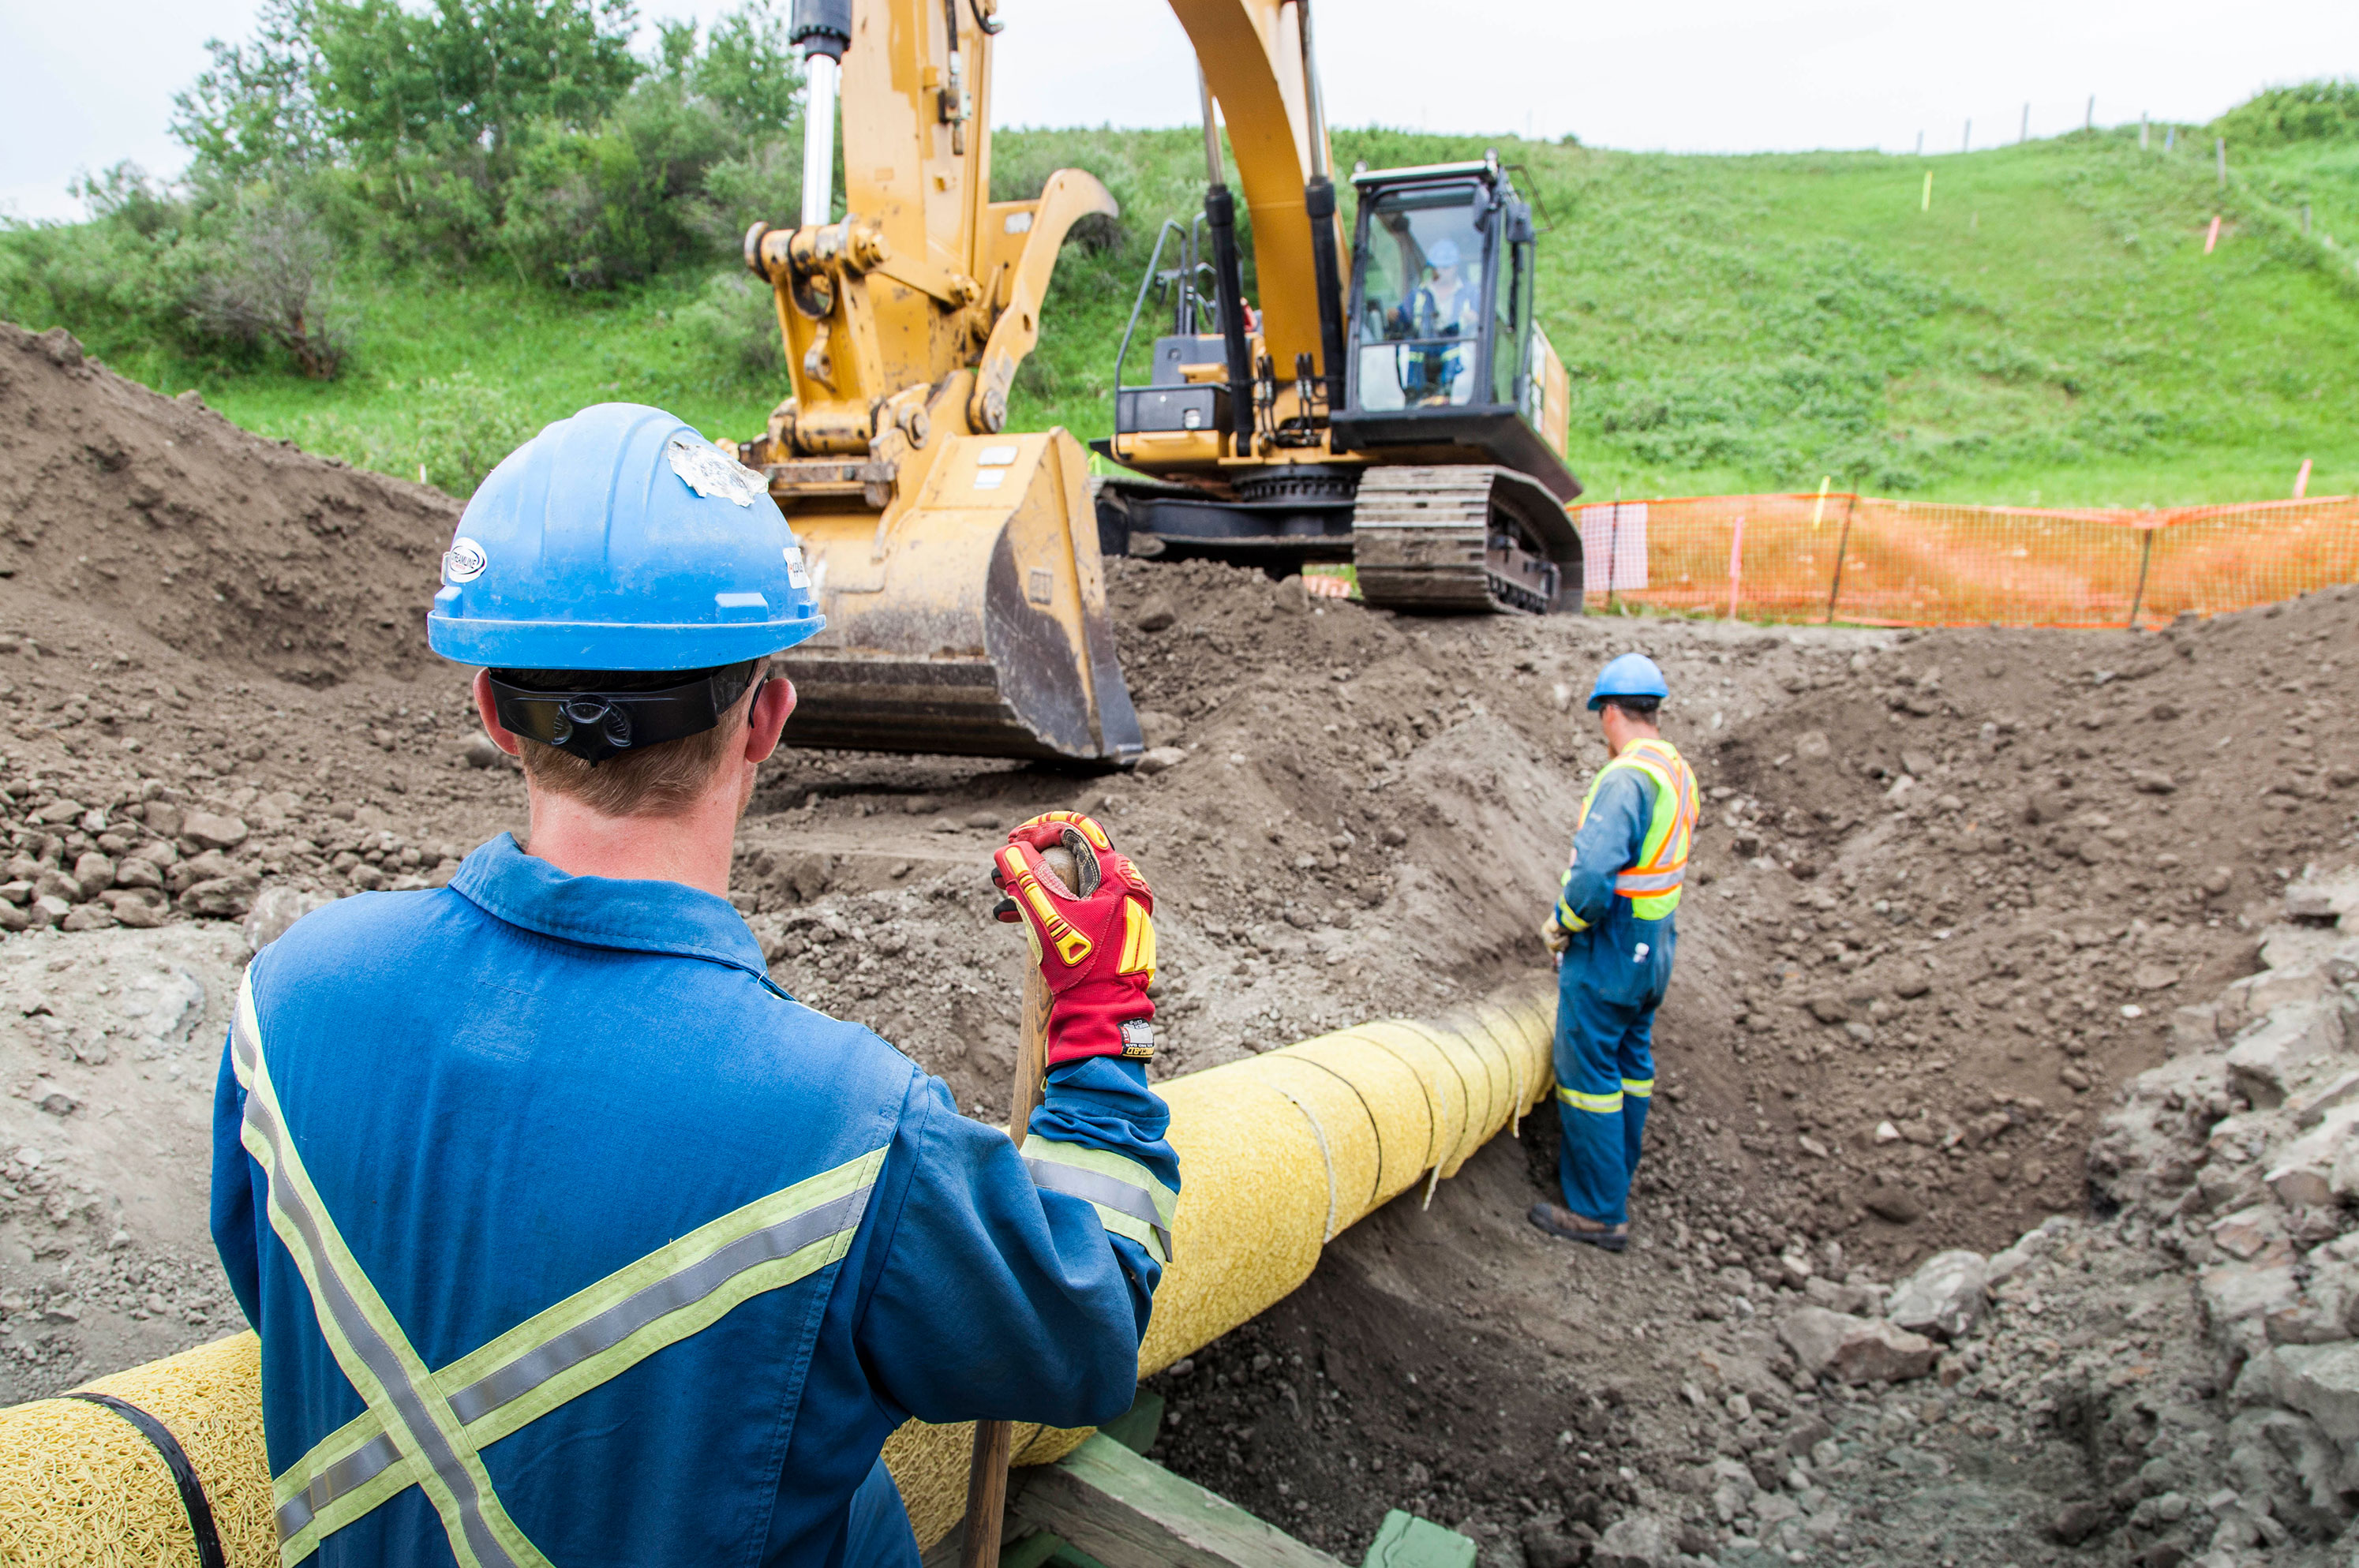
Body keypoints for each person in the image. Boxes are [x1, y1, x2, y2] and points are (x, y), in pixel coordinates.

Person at [210, 403, 1178, 1568]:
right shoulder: (853, 1125)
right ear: (768, 717)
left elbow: (285, 1302)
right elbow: (1087, 1330)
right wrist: (1099, 1037)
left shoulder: (289, 1002)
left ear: (491, 714)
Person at [1528, 653, 1698, 1252]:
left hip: (1610, 947)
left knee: (1586, 1074)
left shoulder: (1626, 777)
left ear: (1608, 712)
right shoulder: (1674, 768)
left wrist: (1564, 924)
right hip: (1655, 948)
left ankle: (1598, 1212)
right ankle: (1614, 1181)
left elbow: (1595, 873)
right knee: (1629, 1066)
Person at [1397, 237, 1481, 404]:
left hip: (1456, 341)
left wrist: (1475, 317)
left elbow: (1485, 318)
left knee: (1455, 349)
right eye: (1437, 267)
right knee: (1410, 348)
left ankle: (1448, 389)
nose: (1440, 272)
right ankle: (1413, 392)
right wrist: (1394, 315)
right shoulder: (1419, 293)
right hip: (1425, 342)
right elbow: (1403, 316)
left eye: (1446, 267)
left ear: (1456, 267)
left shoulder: (1470, 292)